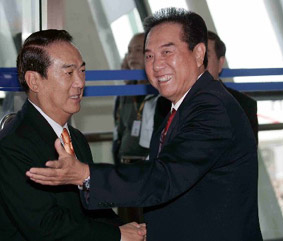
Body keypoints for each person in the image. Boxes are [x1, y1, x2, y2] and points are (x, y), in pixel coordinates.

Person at [26, 8, 263, 241]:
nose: (157, 65)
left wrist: (86, 175)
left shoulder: (211, 109)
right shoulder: (178, 107)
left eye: (167, 52)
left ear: (199, 53)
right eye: (149, 56)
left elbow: (166, 176)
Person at [0, 29, 146, 241]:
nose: (80, 83)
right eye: (69, 73)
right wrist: (117, 235)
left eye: (82, 71)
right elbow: (46, 227)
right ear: (34, 81)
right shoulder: (13, 147)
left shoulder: (75, 138)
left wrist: (129, 229)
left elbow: (90, 208)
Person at [113, 33, 171, 165]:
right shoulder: (125, 93)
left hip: (149, 164)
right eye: (129, 51)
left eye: (138, 50)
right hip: (125, 163)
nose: (132, 55)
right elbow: (120, 131)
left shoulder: (162, 92)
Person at [207, 30, 259, 143]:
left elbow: (246, 157)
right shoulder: (167, 104)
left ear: (220, 63)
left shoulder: (243, 106)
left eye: (205, 56)